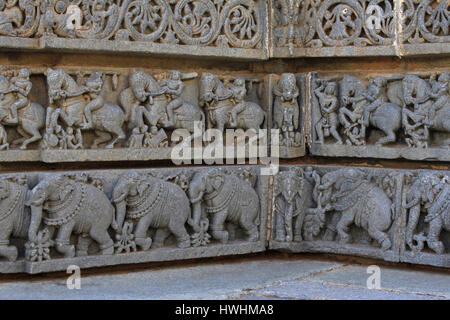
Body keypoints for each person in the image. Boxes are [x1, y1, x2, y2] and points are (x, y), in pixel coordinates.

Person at [314, 80, 342, 144]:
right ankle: (321, 140)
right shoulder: (322, 95)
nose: (330, 89)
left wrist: (323, 107)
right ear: (326, 88)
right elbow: (316, 91)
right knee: (318, 126)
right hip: (325, 116)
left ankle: (339, 140)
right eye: (329, 87)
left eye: (332, 88)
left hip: (332, 116)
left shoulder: (334, 99)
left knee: (332, 129)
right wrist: (322, 86)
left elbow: (329, 110)